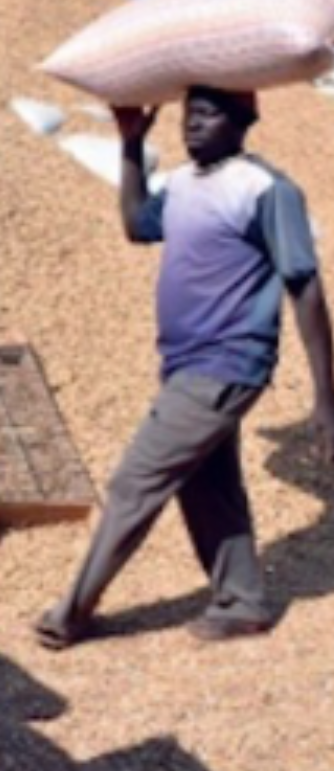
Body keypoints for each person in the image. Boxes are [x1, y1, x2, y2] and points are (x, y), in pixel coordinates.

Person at [35, 84, 334, 649]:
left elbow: (306, 286)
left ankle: (71, 613)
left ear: (243, 122)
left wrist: (327, 398)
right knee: (208, 486)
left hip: (228, 362)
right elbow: (135, 225)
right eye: (187, 114)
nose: (192, 124)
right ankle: (242, 602)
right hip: (184, 363)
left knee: (134, 482)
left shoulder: (266, 189)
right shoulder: (181, 186)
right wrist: (129, 146)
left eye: (208, 114)